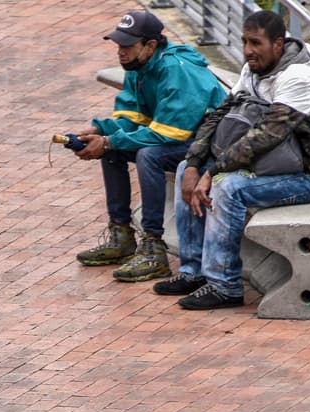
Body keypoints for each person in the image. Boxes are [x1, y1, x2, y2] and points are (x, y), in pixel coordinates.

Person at [157, 10, 310, 309]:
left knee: (228, 187)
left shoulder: (299, 77)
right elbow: (218, 114)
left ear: (278, 44)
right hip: (268, 166)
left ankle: (225, 284)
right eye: (245, 42)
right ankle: (193, 272)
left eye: (256, 43)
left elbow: (267, 135)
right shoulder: (253, 71)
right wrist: (194, 164)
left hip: (307, 177)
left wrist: (214, 171)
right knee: (183, 170)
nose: (248, 51)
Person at [73, 10, 227, 283]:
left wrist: (108, 141)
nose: (120, 52)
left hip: (208, 145)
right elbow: (132, 119)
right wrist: (100, 131)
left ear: (151, 45)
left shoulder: (178, 69)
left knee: (149, 156)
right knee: (114, 149)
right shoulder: (138, 67)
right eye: (119, 45)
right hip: (177, 137)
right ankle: (121, 235)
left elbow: (168, 134)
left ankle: (154, 246)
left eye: (127, 46)